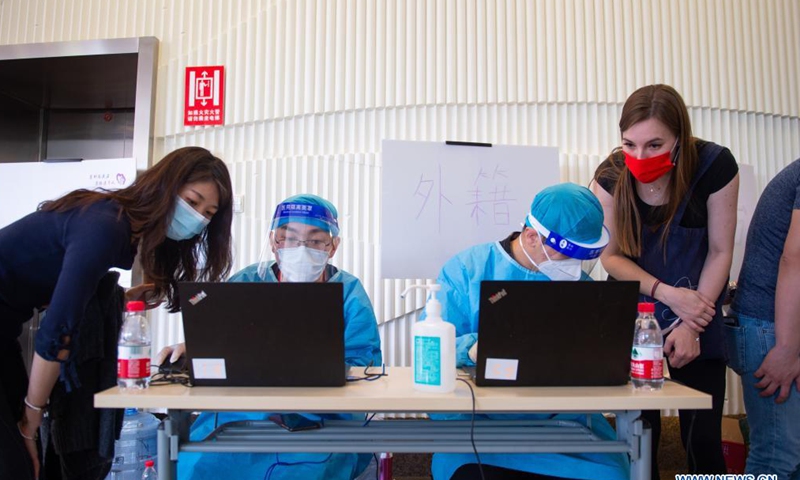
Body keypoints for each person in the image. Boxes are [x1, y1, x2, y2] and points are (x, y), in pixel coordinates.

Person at [0, 146, 234, 480]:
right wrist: (33, 414)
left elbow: (66, 292)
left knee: (22, 462)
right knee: (14, 463)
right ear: (165, 186)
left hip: (5, 330)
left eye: (209, 213)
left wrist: (123, 299)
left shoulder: (117, 224)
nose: (198, 218)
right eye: (193, 202)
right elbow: (56, 332)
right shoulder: (105, 226)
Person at [158, 194, 382, 480]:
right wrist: (192, 348)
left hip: (320, 421)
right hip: (240, 419)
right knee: (202, 465)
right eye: (289, 238)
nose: (301, 248)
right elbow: (217, 335)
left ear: (333, 246)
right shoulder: (248, 282)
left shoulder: (348, 292)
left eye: (315, 240)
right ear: (274, 242)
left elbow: (363, 362)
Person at [431, 183, 629, 480]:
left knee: (613, 474)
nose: (574, 268)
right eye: (567, 257)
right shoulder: (467, 270)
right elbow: (434, 349)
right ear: (532, 236)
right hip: (479, 427)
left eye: (581, 258)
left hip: (566, 427)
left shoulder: (581, 290)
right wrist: (472, 348)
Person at [591, 84, 739, 478]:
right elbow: (610, 255)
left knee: (703, 441)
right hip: (633, 312)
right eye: (629, 144)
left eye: (655, 144)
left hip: (700, 313)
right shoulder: (610, 175)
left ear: (679, 139)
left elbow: (721, 251)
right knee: (640, 436)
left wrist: (692, 322)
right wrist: (669, 294)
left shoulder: (714, 166)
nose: (639, 157)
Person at [728, 158, 800, 479]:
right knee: (777, 458)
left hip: (781, 327)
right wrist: (788, 348)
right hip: (771, 328)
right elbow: (795, 258)